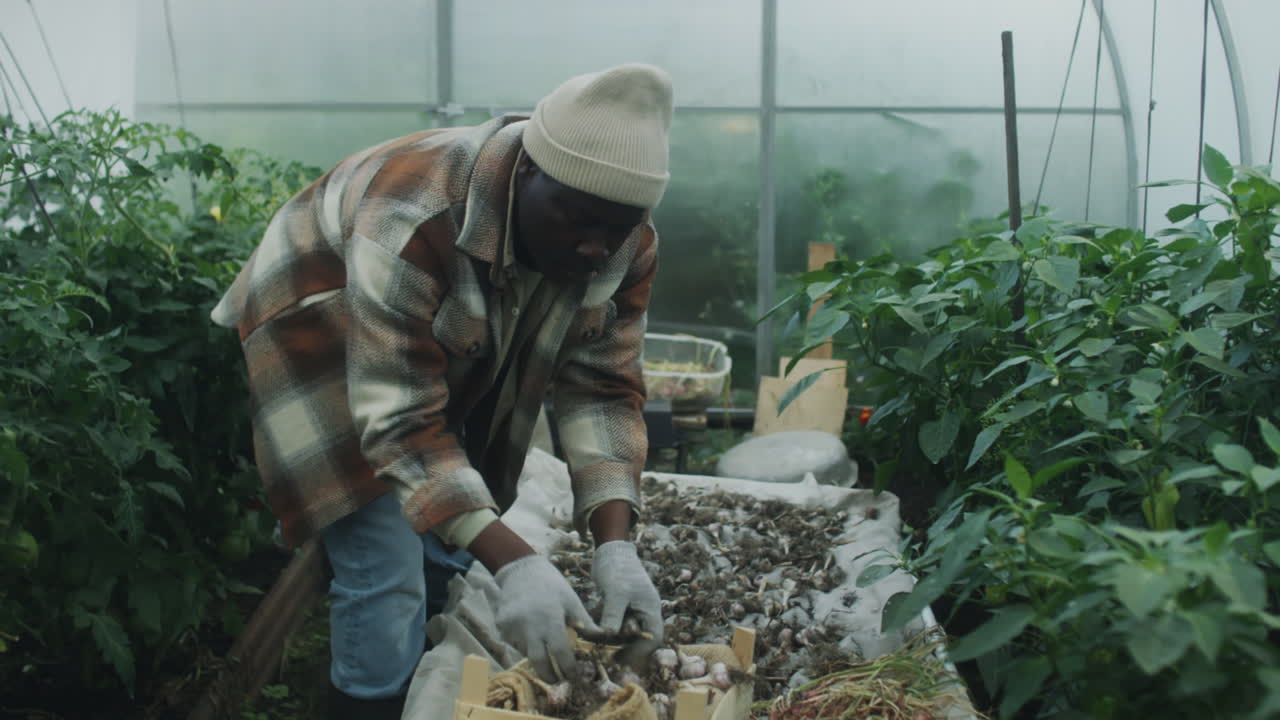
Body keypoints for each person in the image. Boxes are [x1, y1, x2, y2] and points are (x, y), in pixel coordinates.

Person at [210, 63, 671, 718]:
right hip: (323, 322)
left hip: (422, 335)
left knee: (444, 523)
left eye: (618, 227)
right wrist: (514, 564)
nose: (596, 247)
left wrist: (617, 545)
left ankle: (422, 672)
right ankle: (366, 703)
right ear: (528, 173)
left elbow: (602, 387)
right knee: (383, 569)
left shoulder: (622, 244)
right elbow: (398, 424)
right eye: (579, 218)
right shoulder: (415, 214)